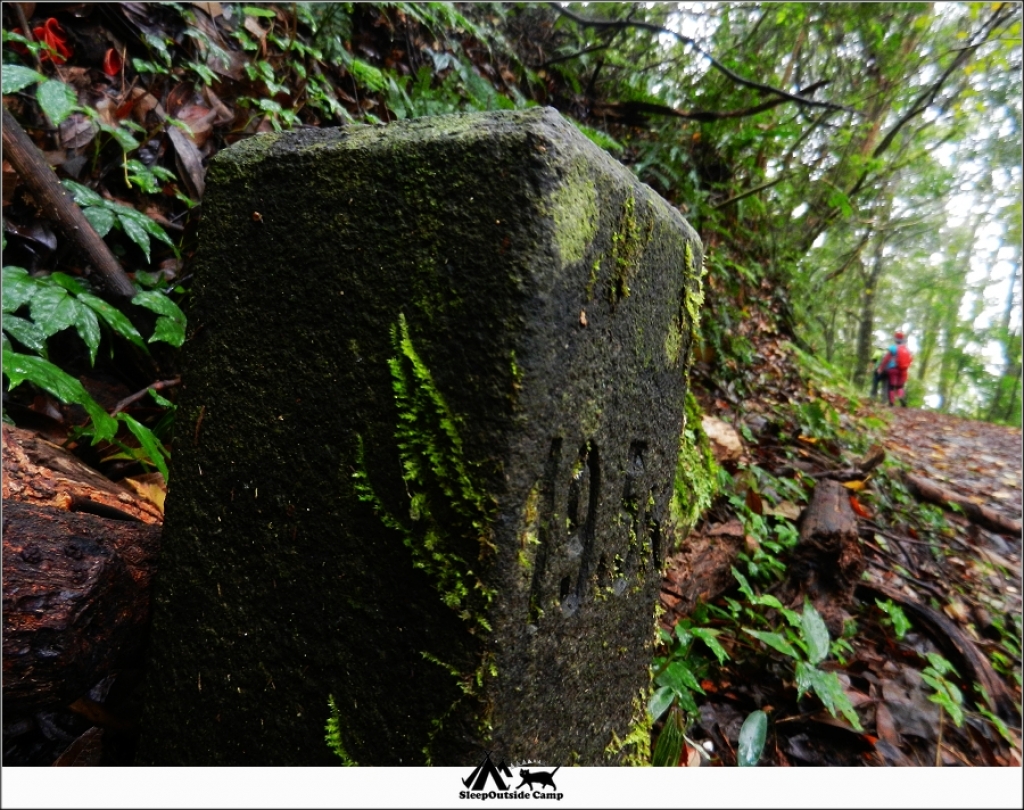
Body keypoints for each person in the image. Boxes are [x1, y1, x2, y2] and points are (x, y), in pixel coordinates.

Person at [877, 330, 912, 407]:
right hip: (903, 370)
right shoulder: (906, 349)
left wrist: (881, 368)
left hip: (893, 369)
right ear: (902, 340)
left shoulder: (893, 348)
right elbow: (910, 360)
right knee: (900, 386)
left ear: (895, 339)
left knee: (891, 386)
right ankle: (901, 397)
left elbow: (886, 359)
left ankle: (891, 403)